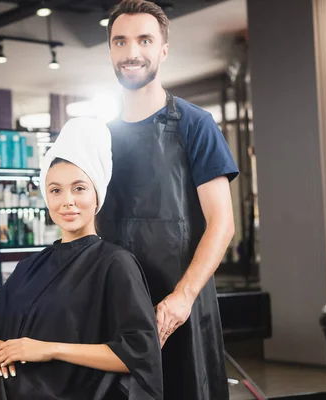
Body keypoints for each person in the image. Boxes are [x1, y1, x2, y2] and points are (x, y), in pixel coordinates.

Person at [97, 1, 240, 399]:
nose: (132, 52)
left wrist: (183, 297)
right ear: (110, 50)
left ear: (163, 49)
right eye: (120, 41)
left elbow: (222, 224)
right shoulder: (98, 137)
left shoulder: (196, 125)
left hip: (182, 310)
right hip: (119, 307)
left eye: (145, 39)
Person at [0, 117, 163, 400]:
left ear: (96, 196)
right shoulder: (28, 268)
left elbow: (139, 354)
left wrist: (48, 348)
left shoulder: (115, 264)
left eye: (79, 188)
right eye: (55, 190)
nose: (67, 200)